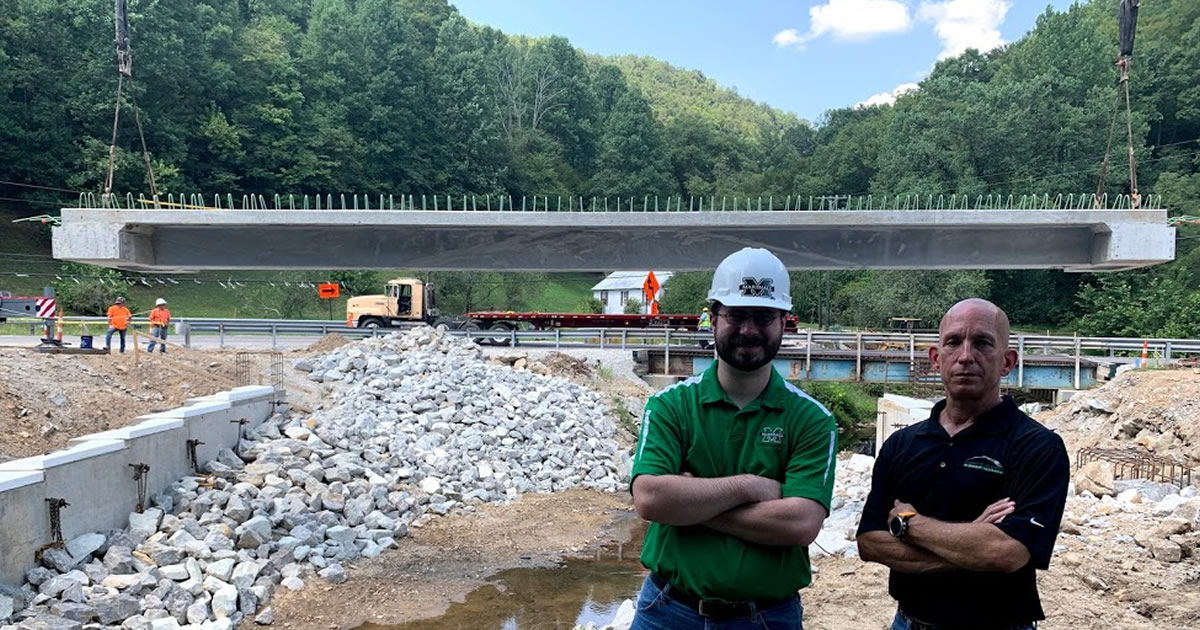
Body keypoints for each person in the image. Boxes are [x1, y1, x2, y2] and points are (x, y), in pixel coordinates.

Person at [630, 247, 837, 630]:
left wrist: (692, 505)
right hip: (666, 611)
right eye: (736, 316)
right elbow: (651, 498)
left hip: (767, 618)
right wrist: (750, 487)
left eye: (763, 317)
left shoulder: (811, 421)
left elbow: (800, 524)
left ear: (784, 323)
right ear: (712, 320)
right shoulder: (670, 406)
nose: (748, 330)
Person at [856, 298, 1070, 630]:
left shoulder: (1038, 447)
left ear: (1007, 362)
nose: (966, 356)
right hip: (909, 622)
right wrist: (971, 544)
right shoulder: (902, 444)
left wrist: (908, 525)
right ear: (935, 358)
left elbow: (1005, 554)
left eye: (983, 342)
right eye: (953, 342)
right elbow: (869, 542)